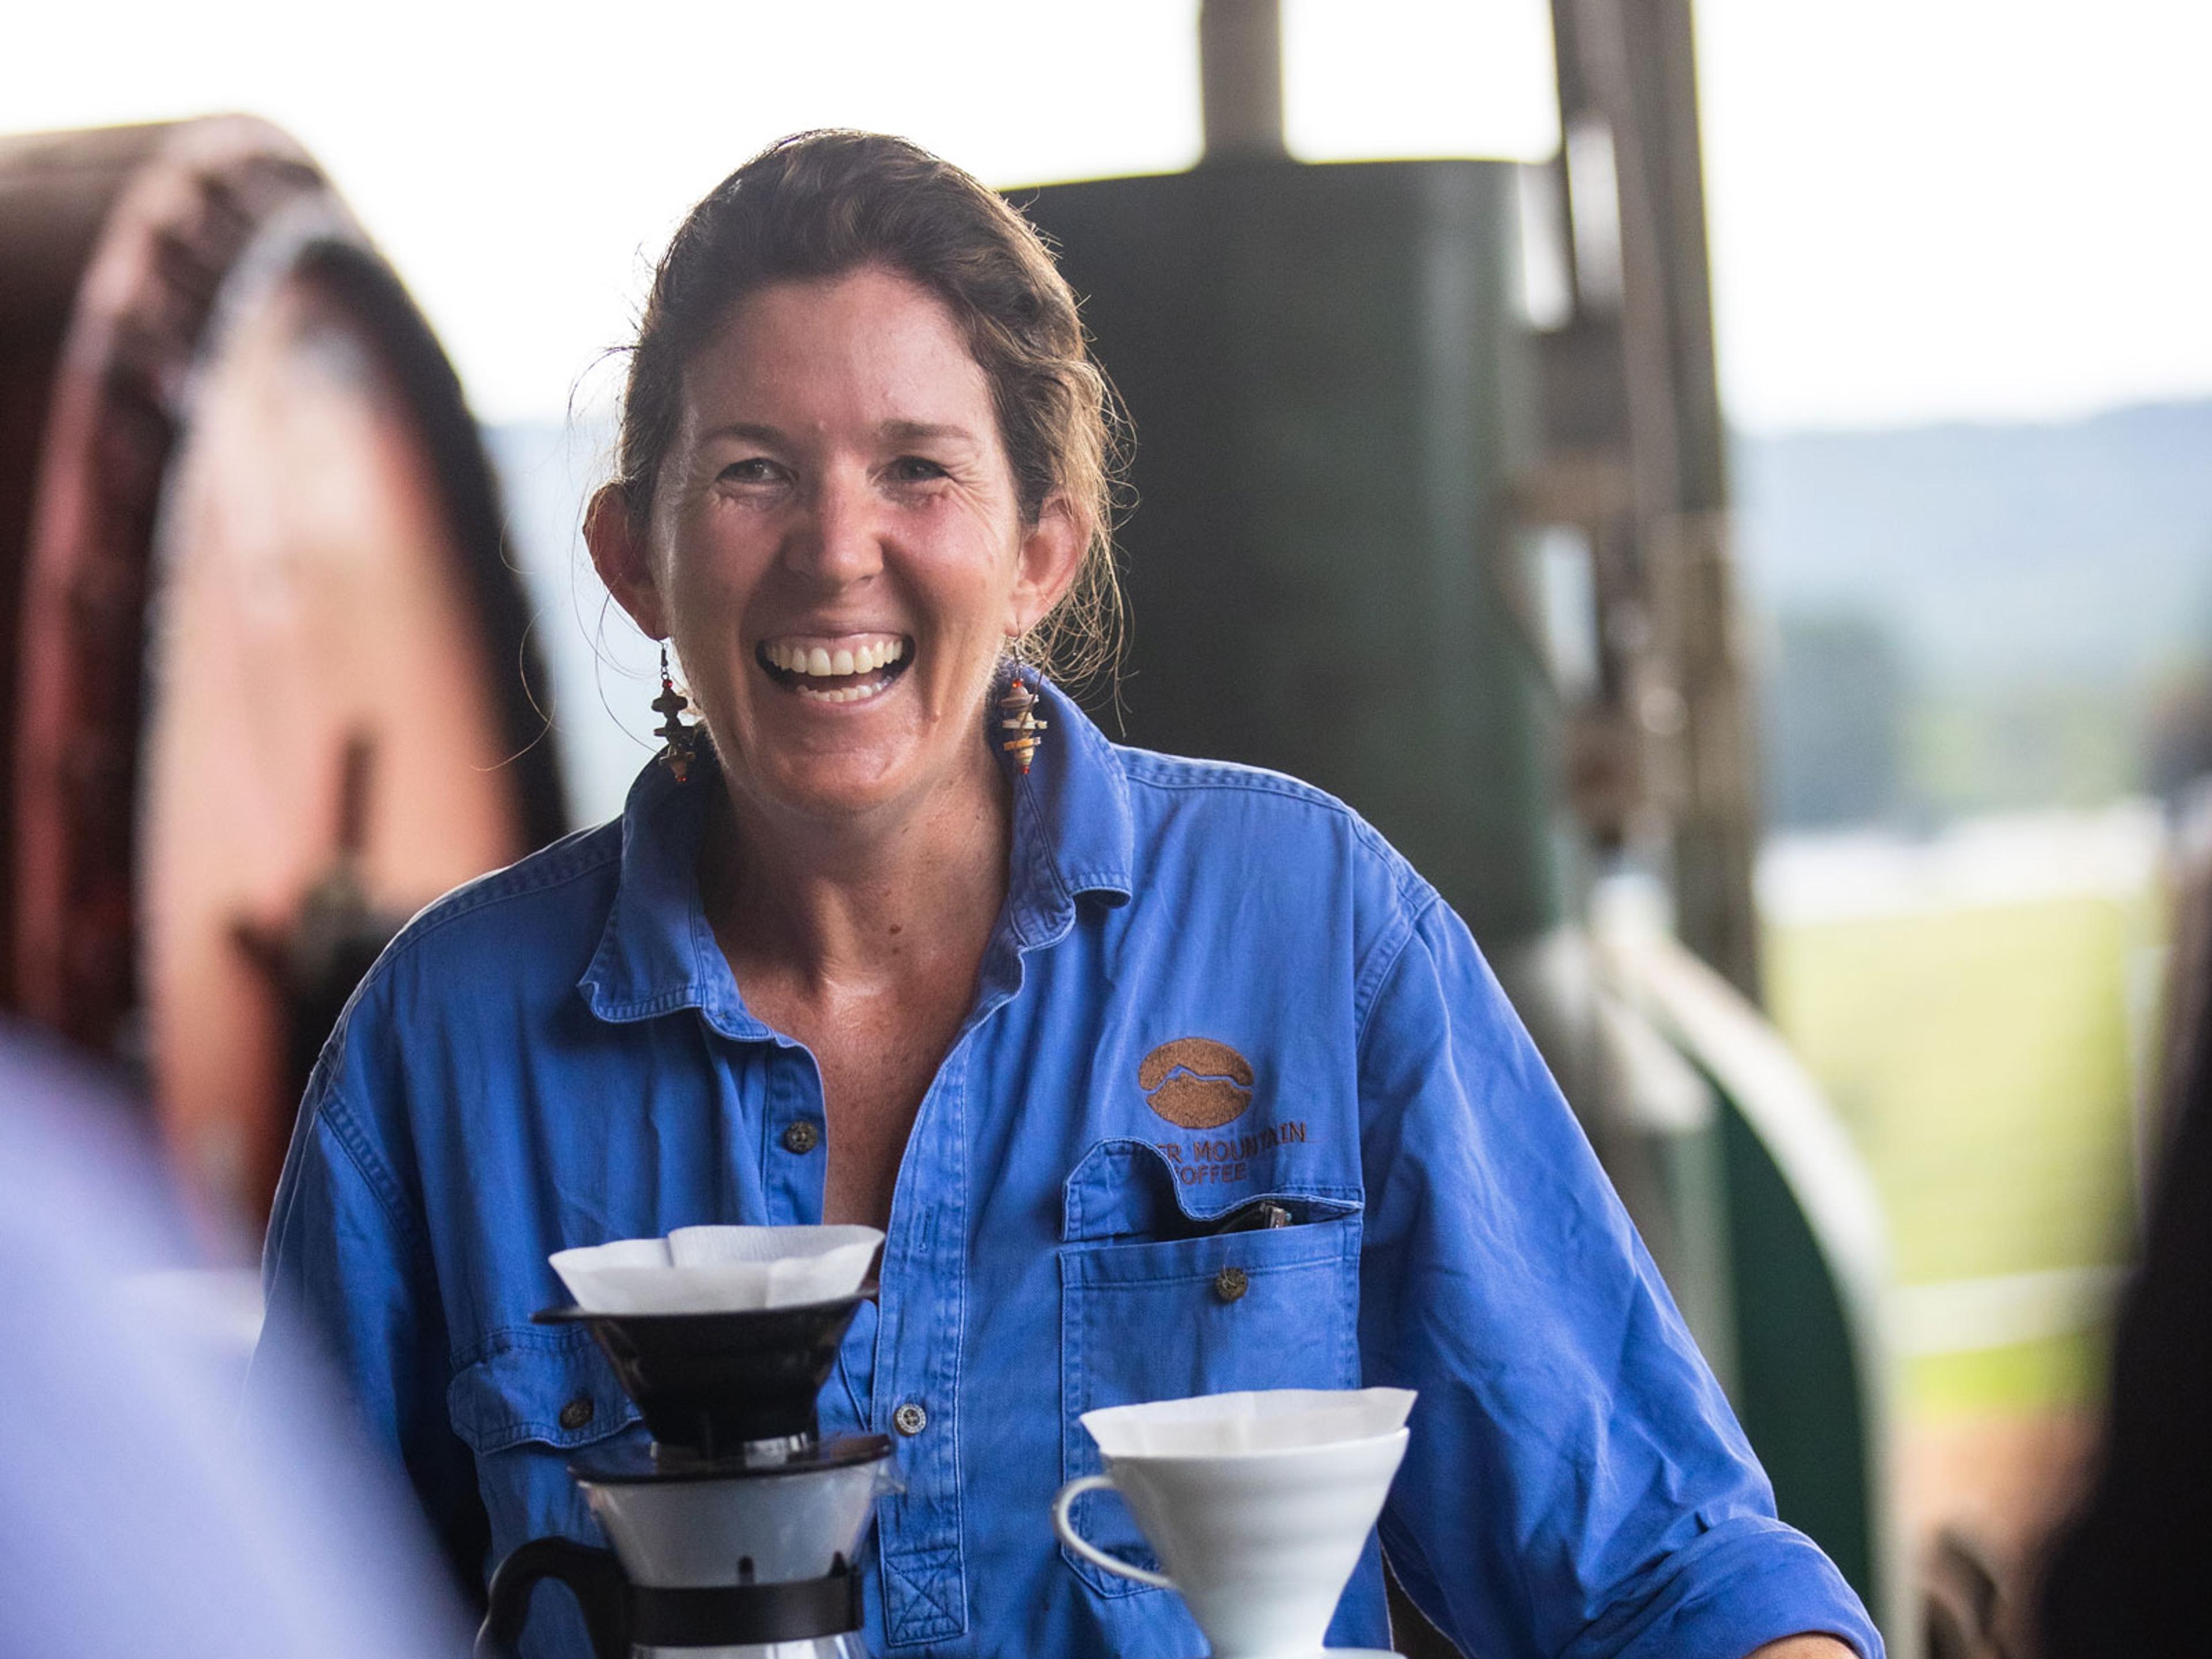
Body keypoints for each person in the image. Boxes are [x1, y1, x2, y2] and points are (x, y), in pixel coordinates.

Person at [252, 130, 1879, 1659]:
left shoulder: (1308, 931)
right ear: (634, 558)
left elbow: (1669, 1576)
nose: (837, 551)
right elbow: (253, 1613)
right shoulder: (442, 1050)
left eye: (917, 470)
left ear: (1040, 549)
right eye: (754, 472)